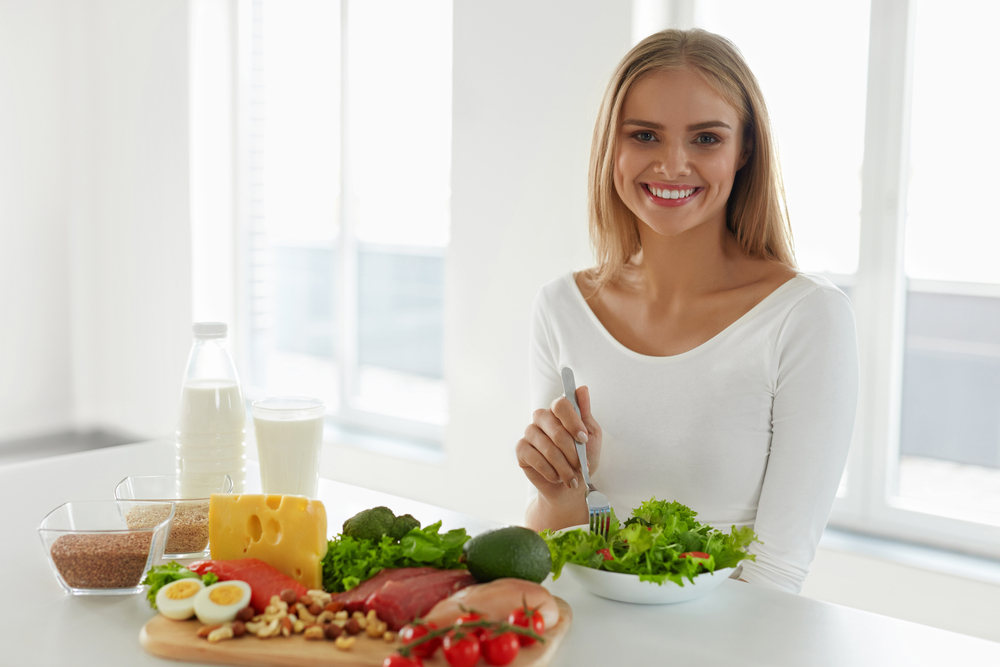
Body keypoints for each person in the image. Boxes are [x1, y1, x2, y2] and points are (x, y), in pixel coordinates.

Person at [514, 28, 859, 593]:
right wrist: (561, 491)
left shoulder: (806, 318)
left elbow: (775, 575)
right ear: (612, 146)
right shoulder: (562, 306)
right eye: (645, 135)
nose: (672, 165)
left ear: (744, 149)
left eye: (705, 138)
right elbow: (553, 551)